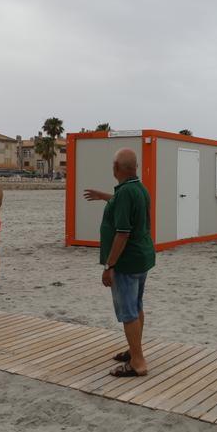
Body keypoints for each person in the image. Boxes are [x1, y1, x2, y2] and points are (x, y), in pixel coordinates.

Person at [82, 148, 156, 377]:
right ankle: (135, 350)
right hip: (141, 258)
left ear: (116, 168)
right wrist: (104, 196)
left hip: (126, 262)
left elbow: (122, 233)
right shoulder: (138, 189)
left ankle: (138, 362)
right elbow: (126, 204)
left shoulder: (125, 193)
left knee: (128, 312)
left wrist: (109, 266)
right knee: (137, 306)